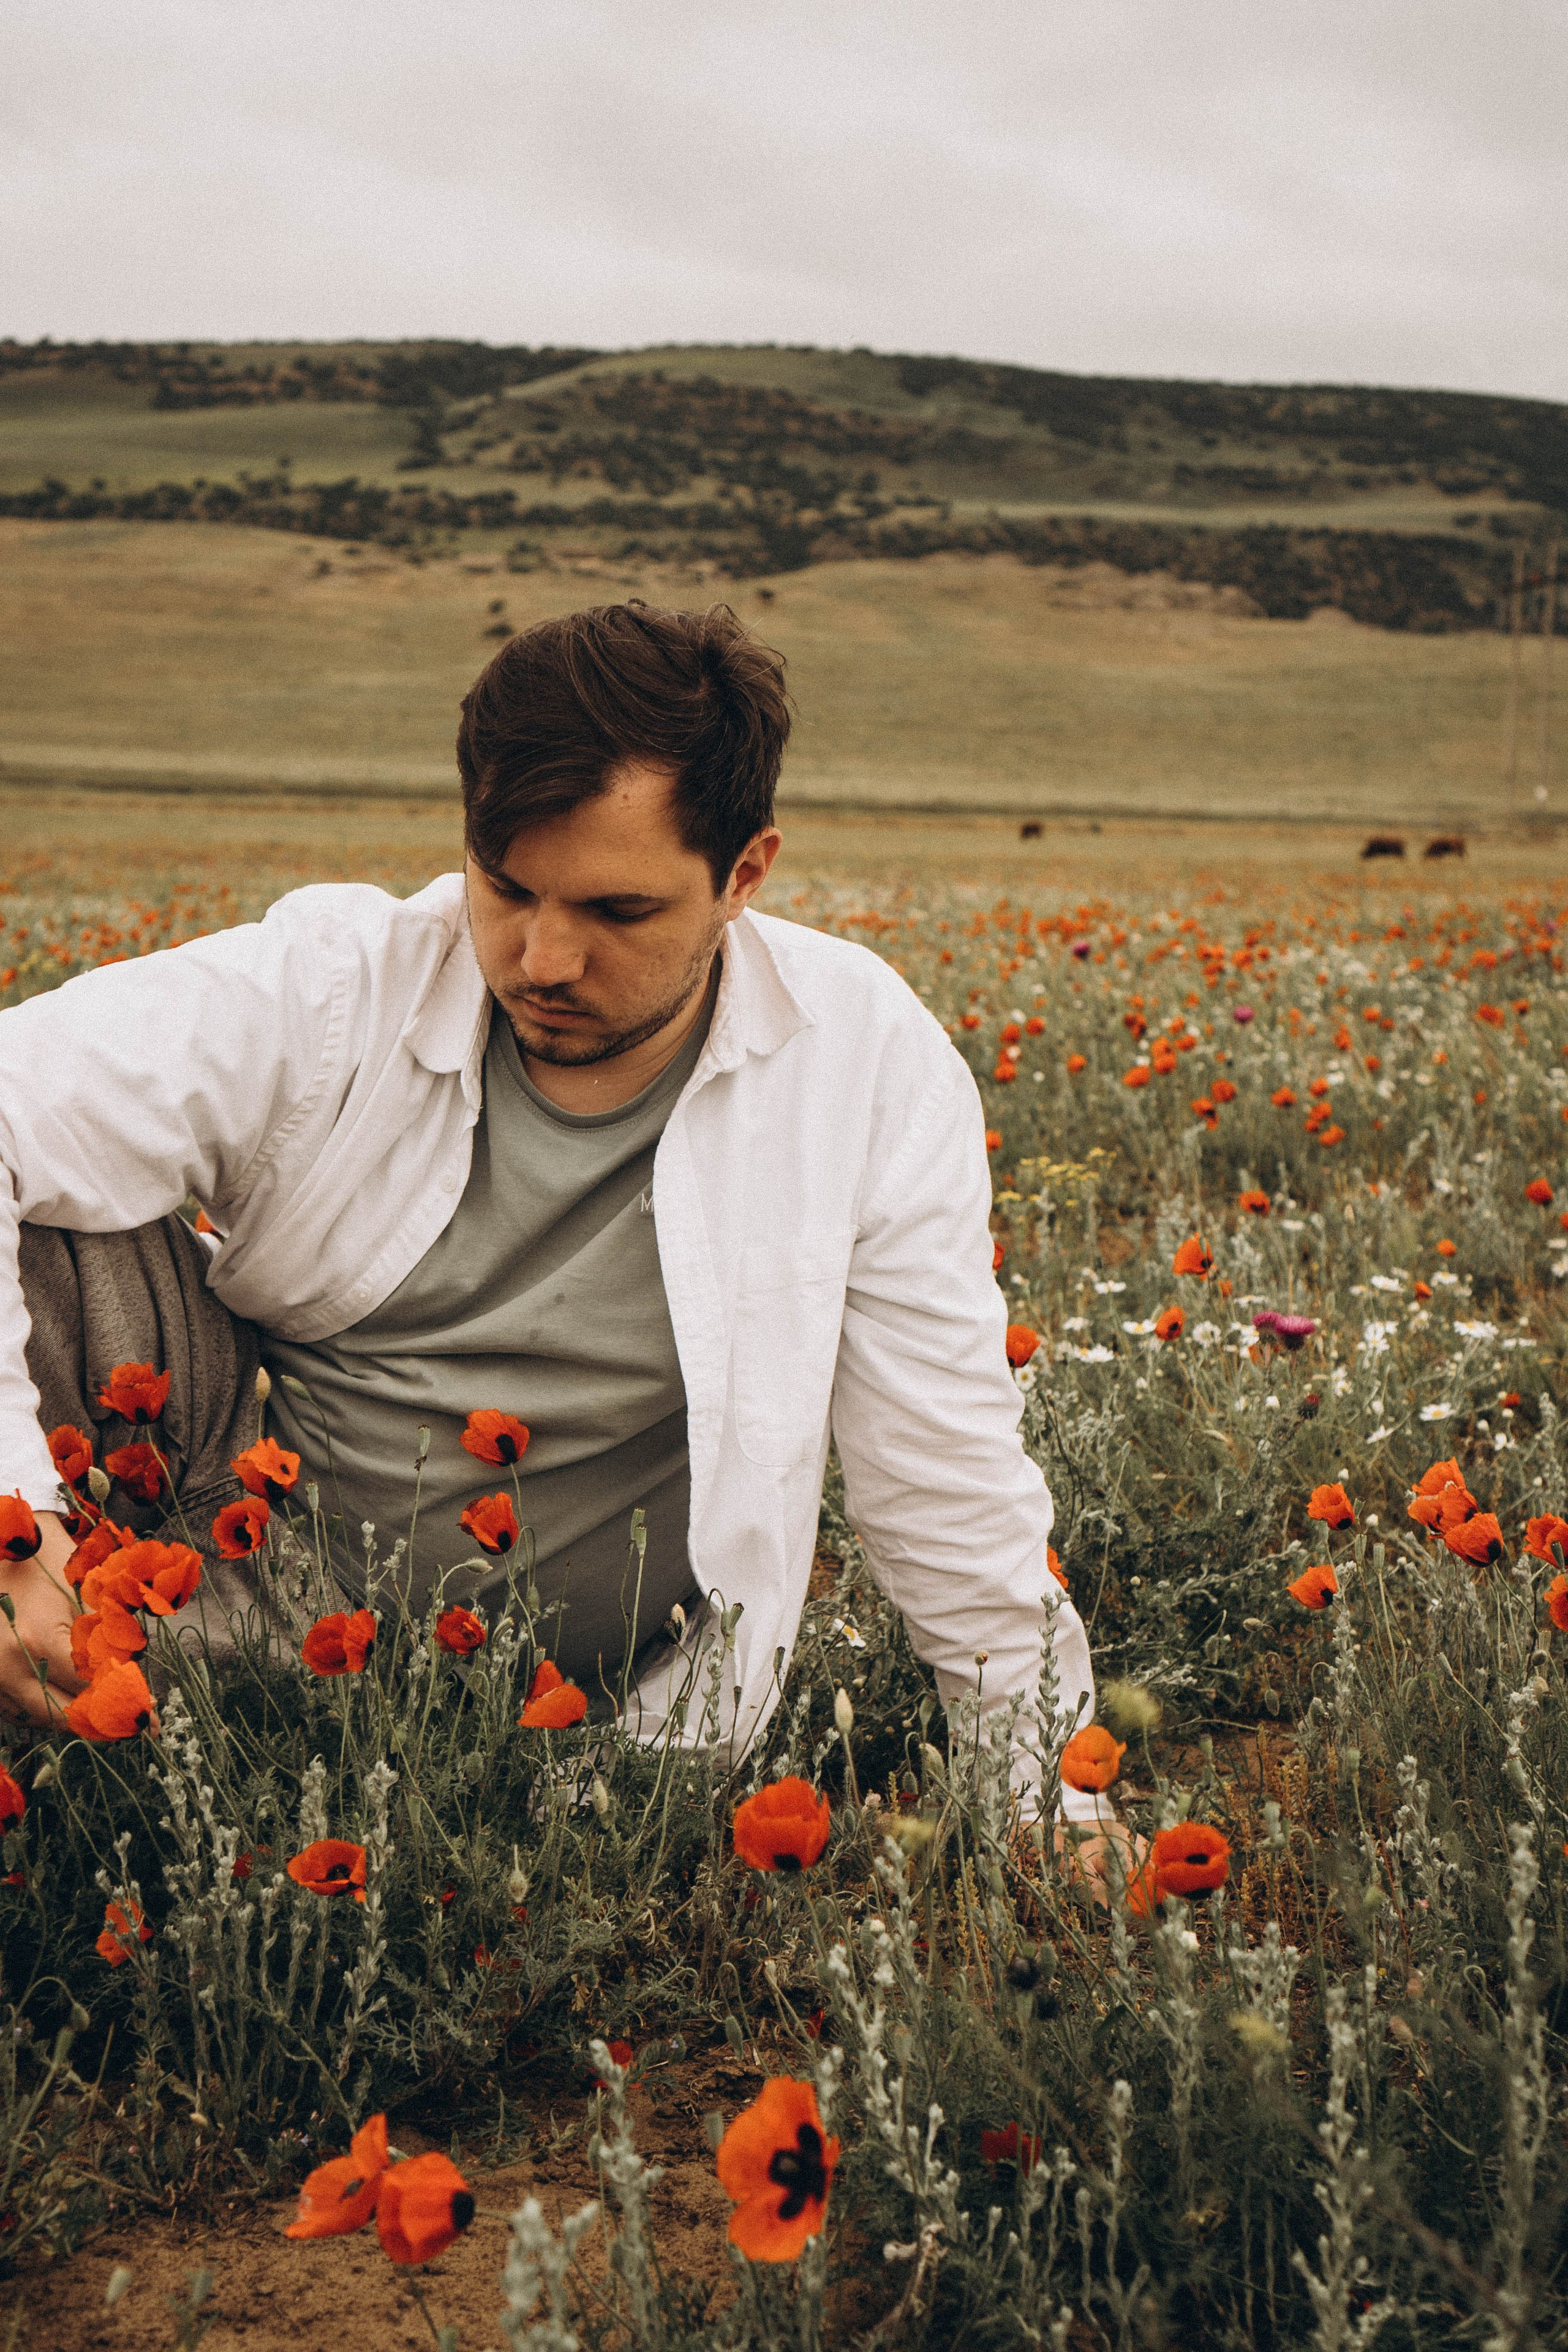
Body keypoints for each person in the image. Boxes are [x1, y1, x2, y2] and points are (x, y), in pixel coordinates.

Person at [0, 601, 1104, 1830]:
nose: (540, 959)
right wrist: (8, 1524)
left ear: (744, 874)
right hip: (205, 1575)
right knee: (54, 1205)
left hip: (575, 1734)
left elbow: (938, 1457)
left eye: (616, 913)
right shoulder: (334, 985)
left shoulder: (859, 1061)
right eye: (506, 888)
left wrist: (1043, 1799)